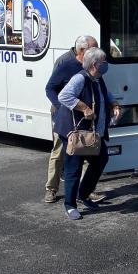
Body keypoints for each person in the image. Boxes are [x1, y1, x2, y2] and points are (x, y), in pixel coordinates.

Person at [55, 47, 122, 220]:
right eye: (104, 61)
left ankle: (83, 195)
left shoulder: (98, 78)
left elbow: (105, 94)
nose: (106, 64)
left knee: (101, 159)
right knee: (74, 168)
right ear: (94, 64)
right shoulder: (80, 78)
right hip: (76, 133)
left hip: (93, 133)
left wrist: (114, 104)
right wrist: (84, 108)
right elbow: (63, 96)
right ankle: (70, 205)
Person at [43, 35, 101, 204]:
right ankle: (51, 189)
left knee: (85, 150)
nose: (97, 52)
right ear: (82, 50)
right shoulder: (65, 63)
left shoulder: (92, 65)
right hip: (65, 119)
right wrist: (61, 107)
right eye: (93, 49)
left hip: (85, 119)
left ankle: (84, 191)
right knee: (59, 152)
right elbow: (50, 88)